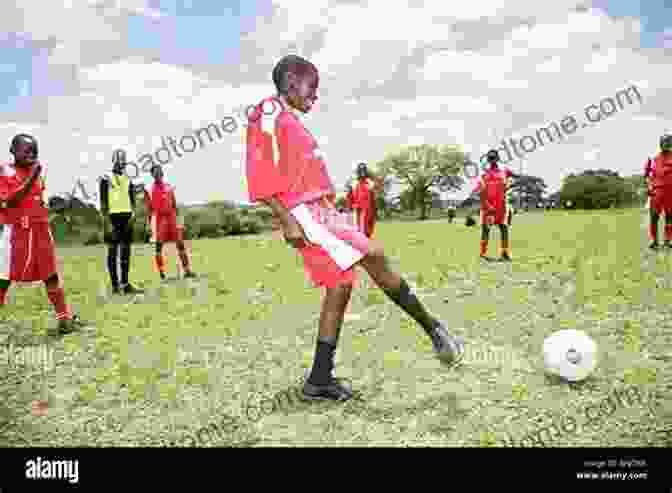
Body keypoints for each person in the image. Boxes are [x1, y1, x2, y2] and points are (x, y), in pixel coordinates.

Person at [245, 54, 465, 402]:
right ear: (291, 82)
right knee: (374, 255)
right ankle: (435, 329)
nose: (315, 96)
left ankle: (318, 380)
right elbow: (258, 167)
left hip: (320, 210)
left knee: (340, 285)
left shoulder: (288, 118)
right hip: (304, 212)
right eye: (311, 87)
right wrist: (285, 218)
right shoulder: (269, 112)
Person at [0, 134, 87, 333]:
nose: (32, 154)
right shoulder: (5, 171)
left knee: (51, 275)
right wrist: (32, 177)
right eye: (27, 150)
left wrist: (57, 208)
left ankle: (64, 320)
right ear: (13, 150)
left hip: (40, 230)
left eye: (35, 151)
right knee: (3, 278)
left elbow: (36, 200)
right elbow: (11, 200)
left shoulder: (38, 173)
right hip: (16, 233)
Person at [99, 149, 144, 294]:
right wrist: (107, 222)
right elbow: (103, 202)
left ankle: (125, 284)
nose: (122, 163)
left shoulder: (128, 178)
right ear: (113, 161)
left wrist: (134, 214)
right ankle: (115, 286)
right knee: (112, 252)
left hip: (127, 218)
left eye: (123, 161)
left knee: (126, 252)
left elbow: (132, 199)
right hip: (113, 218)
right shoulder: (105, 177)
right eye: (119, 160)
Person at [144, 165, 196, 280]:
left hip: (172, 217)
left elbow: (174, 204)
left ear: (162, 173)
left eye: (160, 171)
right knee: (158, 247)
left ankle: (187, 270)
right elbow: (149, 209)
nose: (158, 174)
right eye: (155, 172)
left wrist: (179, 221)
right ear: (152, 175)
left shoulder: (169, 187)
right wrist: (149, 225)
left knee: (180, 244)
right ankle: (162, 273)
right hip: (159, 219)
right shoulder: (148, 189)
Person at [474, 149, 513, 261]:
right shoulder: (483, 174)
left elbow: (512, 179)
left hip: (501, 206)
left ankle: (504, 253)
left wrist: (510, 184)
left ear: (497, 158)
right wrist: (486, 205)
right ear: (487, 159)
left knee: (504, 228)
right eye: (490, 158)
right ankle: (482, 254)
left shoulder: (504, 171)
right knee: (485, 230)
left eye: (494, 157)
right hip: (488, 207)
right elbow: (480, 192)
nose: (492, 160)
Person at [646, 134, 672, 249]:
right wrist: (648, 186)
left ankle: (669, 240)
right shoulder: (652, 159)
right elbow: (646, 175)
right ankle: (653, 240)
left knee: (670, 217)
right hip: (656, 192)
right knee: (654, 217)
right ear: (660, 144)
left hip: (670, 193)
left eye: (668, 142)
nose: (665, 144)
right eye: (663, 142)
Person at [351, 162, 380, 238]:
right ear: (358, 172)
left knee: (369, 230)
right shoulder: (356, 184)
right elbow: (354, 199)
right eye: (360, 171)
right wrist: (355, 206)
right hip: (360, 211)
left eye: (364, 170)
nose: (362, 173)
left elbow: (373, 197)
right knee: (362, 231)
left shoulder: (370, 183)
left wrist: (375, 210)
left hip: (369, 211)